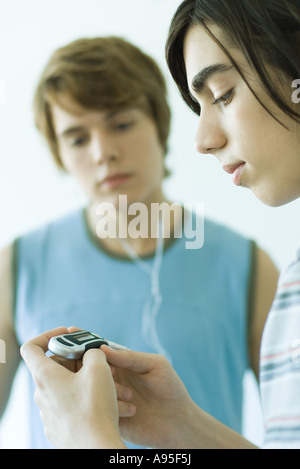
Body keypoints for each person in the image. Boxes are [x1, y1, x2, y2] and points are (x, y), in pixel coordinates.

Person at [9, 27, 280, 448]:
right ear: (59, 153)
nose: (103, 152)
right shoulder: (15, 267)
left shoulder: (246, 267)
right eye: (77, 137)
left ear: (160, 122)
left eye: (120, 124)